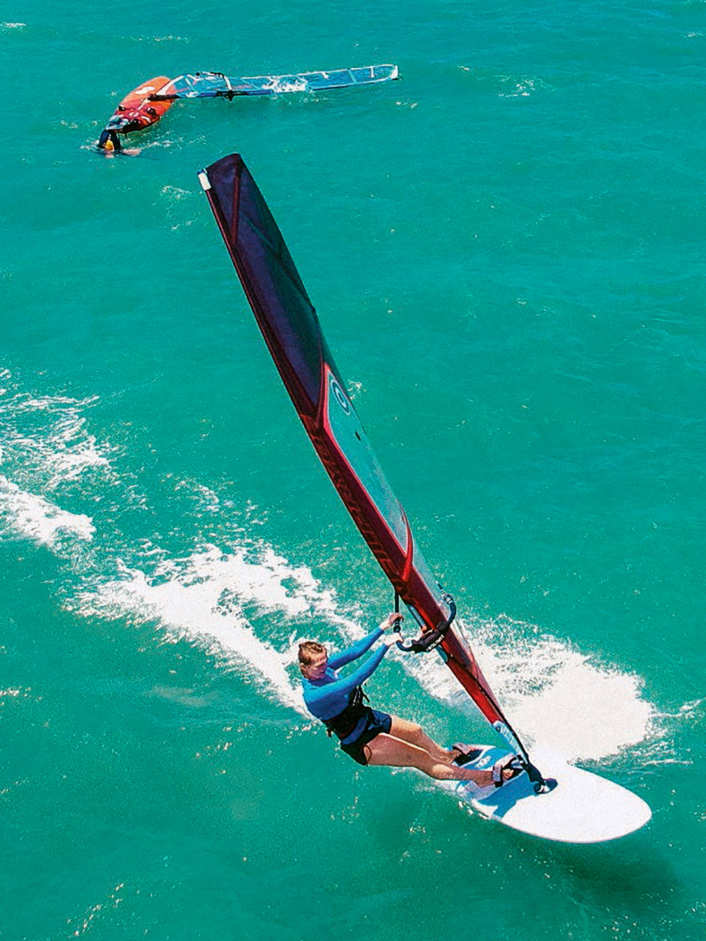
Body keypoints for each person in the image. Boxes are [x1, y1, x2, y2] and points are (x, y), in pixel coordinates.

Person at [298, 613, 522, 788]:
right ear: (305, 668)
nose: (325, 666)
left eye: (326, 660)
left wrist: (383, 627)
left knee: (415, 731)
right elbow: (355, 679)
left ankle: (446, 756)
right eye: (319, 665)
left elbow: (354, 651)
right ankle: (480, 778)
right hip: (360, 740)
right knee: (421, 758)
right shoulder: (314, 695)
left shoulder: (323, 668)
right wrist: (385, 646)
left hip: (367, 718)